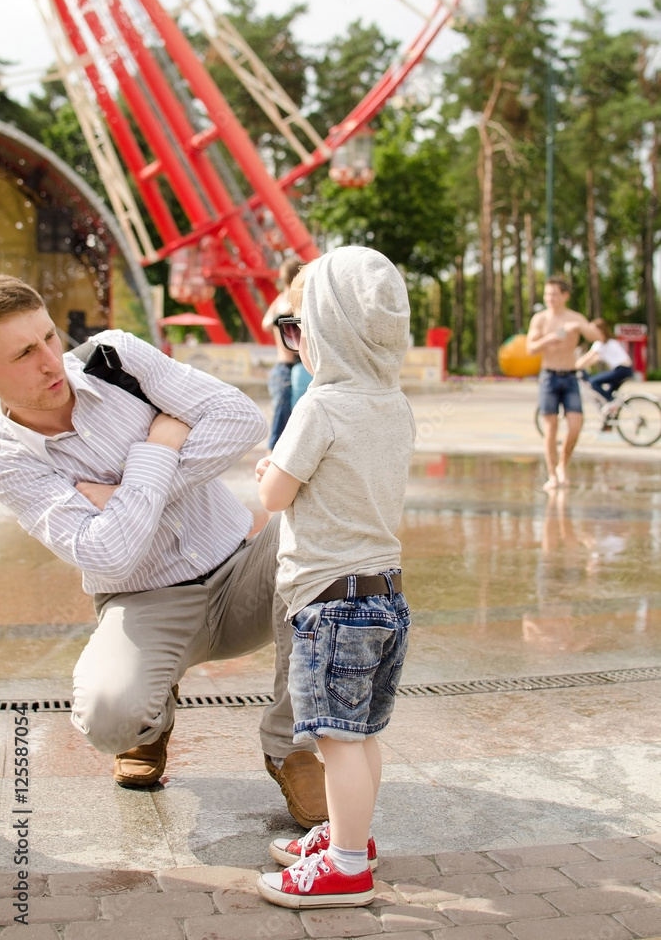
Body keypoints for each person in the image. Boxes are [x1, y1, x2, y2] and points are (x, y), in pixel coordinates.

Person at [0, 274, 326, 828]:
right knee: (109, 717)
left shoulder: (115, 358)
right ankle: (150, 728)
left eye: (49, 337)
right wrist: (158, 446)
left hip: (245, 568)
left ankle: (289, 745)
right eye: (24, 354)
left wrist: (122, 496)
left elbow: (241, 420)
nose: (53, 362)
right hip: (144, 601)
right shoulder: (8, 456)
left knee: (325, 527)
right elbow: (106, 558)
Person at [253, 246, 416, 909]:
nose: (297, 343)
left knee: (333, 741)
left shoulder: (321, 407)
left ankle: (346, 865)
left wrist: (268, 470)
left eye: (299, 330)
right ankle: (353, 836)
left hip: (330, 603)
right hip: (385, 597)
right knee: (362, 736)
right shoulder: (393, 403)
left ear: (328, 333)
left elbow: (275, 496)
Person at [526, 278, 600, 491]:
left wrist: (579, 326)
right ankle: (552, 474)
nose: (550, 298)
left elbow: (597, 336)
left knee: (575, 426)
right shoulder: (540, 319)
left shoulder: (574, 317)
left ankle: (562, 466)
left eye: (554, 294)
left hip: (569, 377)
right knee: (550, 428)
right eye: (547, 294)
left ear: (565, 296)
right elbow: (530, 348)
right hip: (548, 377)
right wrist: (548, 339)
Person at [262, 256, 301, 451]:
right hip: (287, 369)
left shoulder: (280, 299)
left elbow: (265, 323)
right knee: (282, 421)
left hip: (282, 369)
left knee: (282, 420)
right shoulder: (290, 302)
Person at [575, 317, 633, 405]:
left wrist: (574, 366)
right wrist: (583, 365)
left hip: (621, 370)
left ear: (599, 330)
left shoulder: (600, 343)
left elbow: (587, 358)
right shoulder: (610, 342)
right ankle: (610, 408)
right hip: (625, 370)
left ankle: (609, 403)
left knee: (593, 381)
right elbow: (594, 359)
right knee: (608, 392)